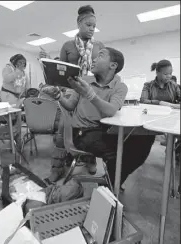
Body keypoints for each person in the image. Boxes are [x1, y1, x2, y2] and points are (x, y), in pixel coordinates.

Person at [42, 47, 156, 187]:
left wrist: (90, 94)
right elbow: (70, 105)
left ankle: (112, 181)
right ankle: (110, 186)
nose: (94, 59)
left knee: (146, 138)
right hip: (82, 132)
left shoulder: (120, 87)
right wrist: (58, 96)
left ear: (113, 65)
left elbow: (111, 110)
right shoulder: (84, 80)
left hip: (105, 130)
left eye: (100, 56)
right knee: (120, 154)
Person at [40, 5, 105, 183]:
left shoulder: (99, 46)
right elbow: (60, 71)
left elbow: (103, 70)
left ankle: (90, 159)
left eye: (94, 26)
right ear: (79, 23)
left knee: (91, 128)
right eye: (88, 25)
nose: (92, 29)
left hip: (90, 92)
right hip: (69, 91)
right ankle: (57, 168)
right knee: (62, 130)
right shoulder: (67, 46)